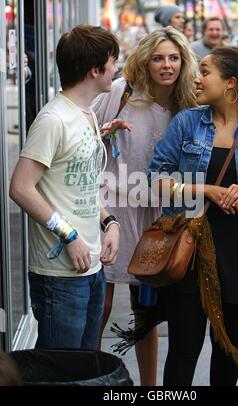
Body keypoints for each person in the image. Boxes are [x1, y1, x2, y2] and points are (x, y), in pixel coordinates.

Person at [147, 46, 238, 385]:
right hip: (189, 252)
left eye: (205, 71)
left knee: (228, 354)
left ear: (230, 84)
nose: (196, 78)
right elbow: (156, 180)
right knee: (183, 352)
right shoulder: (186, 123)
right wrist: (208, 191)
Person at [92, 26, 198, 385]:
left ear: (183, 62)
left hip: (158, 217)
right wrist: (104, 131)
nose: (166, 65)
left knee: (146, 313)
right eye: (158, 58)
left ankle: (149, 388)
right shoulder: (122, 91)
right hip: (112, 211)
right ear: (146, 60)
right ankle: (88, 376)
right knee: (100, 308)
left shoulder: (188, 104)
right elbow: (84, 129)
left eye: (173, 58)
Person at [9, 25, 125, 351]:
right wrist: (68, 234)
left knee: (85, 369)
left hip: (90, 267)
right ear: (95, 70)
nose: (116, 69)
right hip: (58, 275)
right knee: (61, 373)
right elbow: (20, 188)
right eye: (113, 62)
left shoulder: (85, 113)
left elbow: (80, 184)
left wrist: (109, 222)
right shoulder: (53, 119)